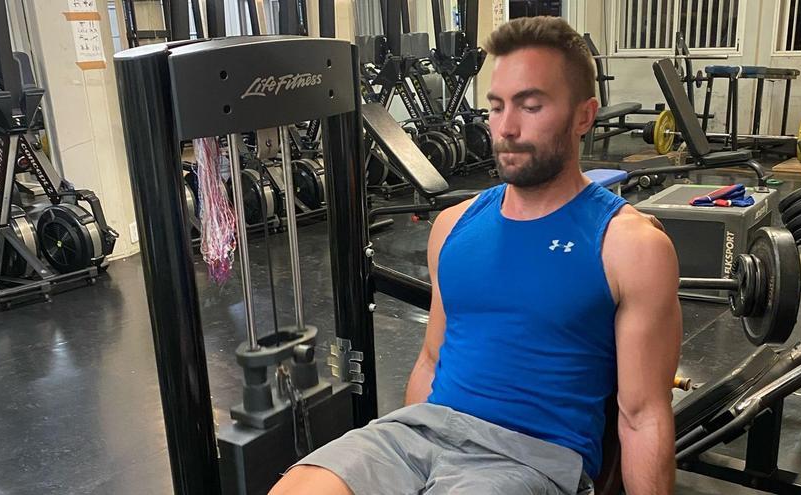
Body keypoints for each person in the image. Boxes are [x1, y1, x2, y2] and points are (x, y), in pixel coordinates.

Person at [270, 16, 681, 495]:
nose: (505, 127)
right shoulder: (453, 226)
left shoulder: (630, 245)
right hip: (422, 435)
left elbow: (642, 415)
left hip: (528, 457)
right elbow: (429, 361)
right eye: (497, 106)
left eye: (530, 106)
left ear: (584, 116)